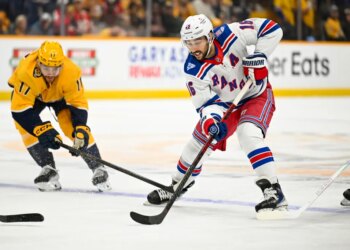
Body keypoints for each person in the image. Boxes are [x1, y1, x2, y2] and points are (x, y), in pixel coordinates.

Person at [146, 14, 288, 214]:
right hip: (226, 105)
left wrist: (260, 56)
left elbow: (272, 29)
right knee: (198, 142)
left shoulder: (231, 33)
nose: (193, 48)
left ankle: (273, 191)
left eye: (197, 41)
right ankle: (177, 186)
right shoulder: (193, 68)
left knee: (248, 133)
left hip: (256, 94)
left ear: (210, 36)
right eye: (188, 43)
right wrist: (211, 121)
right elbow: (206, 104)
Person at [8, 41, 111, 192]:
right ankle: (48, 167)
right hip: (35, 97)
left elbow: (77, 103)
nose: (50, 73)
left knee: (71, 126)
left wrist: (81, 129)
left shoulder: (71, 72)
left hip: (60, 97)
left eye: (55, 69)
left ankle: (98, 167)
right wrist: (41, 130)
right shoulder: (25, 72)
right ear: (38, 63)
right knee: (24, 127)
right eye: (46, 68)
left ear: (62, 66)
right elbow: (19, 110)